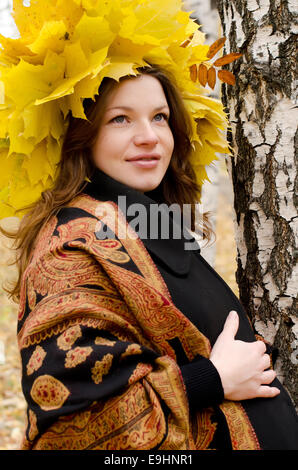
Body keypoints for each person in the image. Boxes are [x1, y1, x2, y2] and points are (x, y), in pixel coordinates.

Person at [1, 0, 297, 451]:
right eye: (121, 119)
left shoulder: (143, 219)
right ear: (83, 135)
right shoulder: (72, 248)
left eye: (159, 117)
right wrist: (210, 380)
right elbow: (73, 426)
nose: (150, 136)